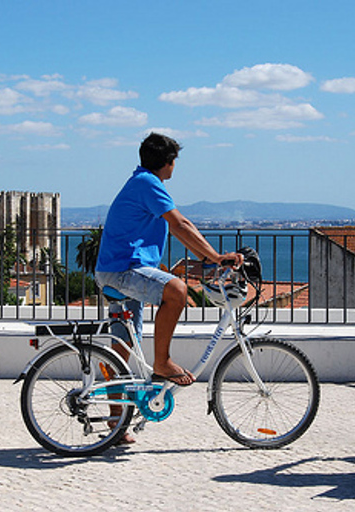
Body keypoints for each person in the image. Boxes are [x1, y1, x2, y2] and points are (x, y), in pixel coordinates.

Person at [95, 132, 244, 388]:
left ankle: (116, 424)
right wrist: (218, 257)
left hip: (115, 270)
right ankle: (162, 363)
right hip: (124, 270)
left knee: (122, 351)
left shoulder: (140, 182)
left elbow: (177, 228)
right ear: (168, 162)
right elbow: (180, 223)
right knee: (176, 291)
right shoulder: (148, 183)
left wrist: (207, 258)